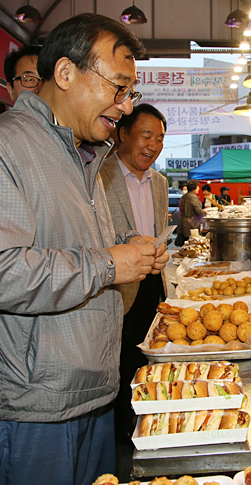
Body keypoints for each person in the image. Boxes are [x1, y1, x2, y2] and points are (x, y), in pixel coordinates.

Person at [0, 13, 167, 485]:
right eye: (117, 88)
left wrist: (127, 249)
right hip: (31, 409)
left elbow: (71, 244)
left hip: (92, 392)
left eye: (131, 93)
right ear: (65, 73)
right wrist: (109, 263)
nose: (125, 107)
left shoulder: (85, 155)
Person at [100, 104, 169, 439]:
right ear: (122, 134)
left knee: (146, 358)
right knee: (118, 360)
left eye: (158, 138)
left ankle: (144, 423)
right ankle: (118, 432)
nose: (153, 145)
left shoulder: (160, 182)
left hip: (152, 283)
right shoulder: (99, 175)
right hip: (115, 286)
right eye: (146, 135)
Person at [176, 179, 205, 246]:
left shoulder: (184, 197)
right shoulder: (193, 197)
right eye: (198, 186)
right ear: (194, 187)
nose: (199, 188)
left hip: (183, 223)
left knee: (185, 245)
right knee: (191, 244)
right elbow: (199, 211)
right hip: (191, 224)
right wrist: (205, 211)